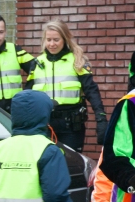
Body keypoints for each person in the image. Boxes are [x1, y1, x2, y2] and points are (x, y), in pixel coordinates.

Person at [27, 19, 107, 152]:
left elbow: (92, 91)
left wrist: (101, 118)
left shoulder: (77, 61)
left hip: (70, 126)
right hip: (43, 125)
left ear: (64, 39)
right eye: (49, 40)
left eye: (56, 40)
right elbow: (27, 95)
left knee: (71, 167)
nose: (52, 44)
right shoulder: (37, 63)